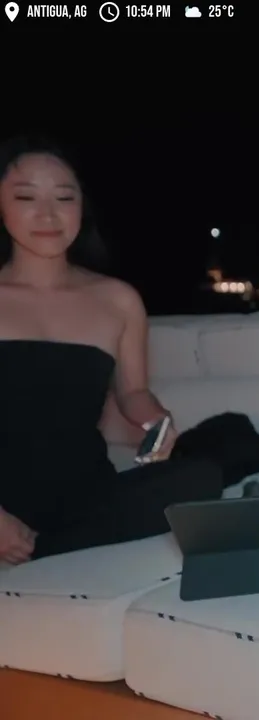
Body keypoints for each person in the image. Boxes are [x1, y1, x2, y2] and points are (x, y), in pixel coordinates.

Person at [0, 135, 224, 565]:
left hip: (85, 494)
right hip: (6, 498)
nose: (48, 214)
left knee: (201, 476)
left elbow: (133, 393)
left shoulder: (117, 299)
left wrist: (156, 421)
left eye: (64, 197)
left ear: (81, 207)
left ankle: (40, 549)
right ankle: (36, 545)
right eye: (26, 197)